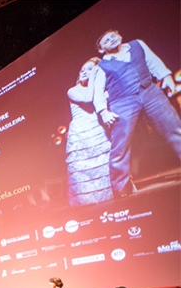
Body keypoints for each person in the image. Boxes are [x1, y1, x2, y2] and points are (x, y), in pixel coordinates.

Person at [92, 30, 181, 197]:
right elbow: (98, 91)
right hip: (122, 101)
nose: (111, 40)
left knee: (174, 127)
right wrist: (103, 111)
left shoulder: (137, 45)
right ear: (101, 49)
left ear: (119, 35)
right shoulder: (102, 66)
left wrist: (166, 76)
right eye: (106, 40)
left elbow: (153, 62)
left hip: (149, 91)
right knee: (121, 143)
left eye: (112, 35)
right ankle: (120, 188)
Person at [65, 58, 113, 206]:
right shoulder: (72, 91)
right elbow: (88, 98)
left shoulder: (100, 88)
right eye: (83, 69)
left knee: (103, 163)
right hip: (81, 132)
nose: (86, 71)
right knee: (83, 168)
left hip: (97, 129)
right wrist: (93, 77)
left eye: (90, 69)